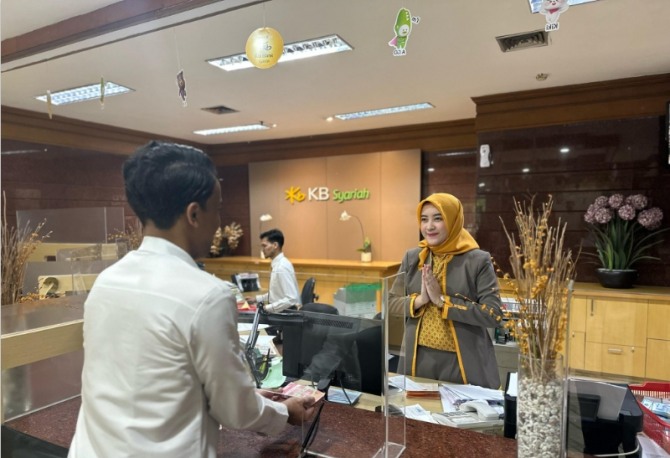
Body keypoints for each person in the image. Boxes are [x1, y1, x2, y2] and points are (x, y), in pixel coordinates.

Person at [68, 141, 315, 458]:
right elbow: (235, 410)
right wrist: (285, 412)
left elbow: (156, 381)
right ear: (194, 214)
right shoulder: (207, 296)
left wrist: (250, 396)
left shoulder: (106, 281)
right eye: (218, 209)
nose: (219, 224)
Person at [389, 192, 503, 389]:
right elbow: (390, 302)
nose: (429, 226)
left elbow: (493, 314)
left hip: (463, 361)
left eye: (438, 218)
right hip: (418, 357)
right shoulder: (413, 257)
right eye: (424, 219)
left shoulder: (477, 260)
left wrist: (442, 301)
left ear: (453, 220)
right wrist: (421, 300)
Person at [246, 228, 301, 314]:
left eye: (264, 246)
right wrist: (256, 299)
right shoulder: (279, 264)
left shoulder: (281, 267)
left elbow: (291, 298)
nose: (262, 249)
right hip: (281, 312)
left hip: (285, 316)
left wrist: (267, 308)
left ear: (275, 245)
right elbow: (276, 294)